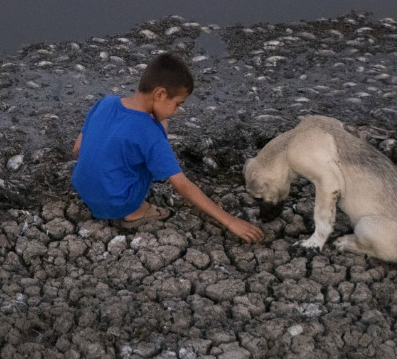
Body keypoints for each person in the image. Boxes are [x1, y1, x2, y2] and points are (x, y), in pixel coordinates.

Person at [71, 53, 264, 244]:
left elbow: (78, 149)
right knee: (157, 133)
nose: (177, 111)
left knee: (141, 133)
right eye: (178, 104)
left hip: (83, 189)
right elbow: (182, 185)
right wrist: (230, 221)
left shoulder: (106, 102)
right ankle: (136, 212)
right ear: (160, 94)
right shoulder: (150, 132)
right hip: (118, 204)